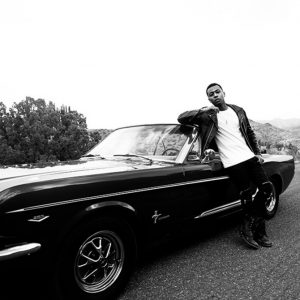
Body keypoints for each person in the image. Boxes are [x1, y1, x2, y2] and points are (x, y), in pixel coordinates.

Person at [177, 83, 273, 249]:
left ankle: (251, 225)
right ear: (208, 98)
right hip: (232, 161)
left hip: (249, 156)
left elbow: (249, 132)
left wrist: (257, 152)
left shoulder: (238, 110)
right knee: (246, 195)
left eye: (217, 92)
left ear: (224, 93)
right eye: (211, 94)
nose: (215, 95)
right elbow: (181, 117)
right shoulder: (207, 116)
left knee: (266, 188)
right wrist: (202, 110)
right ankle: (257, 232)